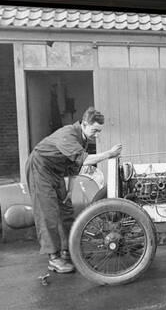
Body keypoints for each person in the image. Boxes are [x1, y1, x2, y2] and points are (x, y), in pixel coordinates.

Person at [26, 107, 122, 274]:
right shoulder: (69, 135)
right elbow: (85, 161)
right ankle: (54, 258)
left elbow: (72, 168)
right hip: (39, 169)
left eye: (99, 131)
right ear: (84, 124)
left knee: (67, 209)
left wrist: (69, 191)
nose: (97, 135)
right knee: (47, 212)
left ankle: (68, 250)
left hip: (56, 172)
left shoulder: (83, 138)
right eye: (95, 130)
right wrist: (110, 153)